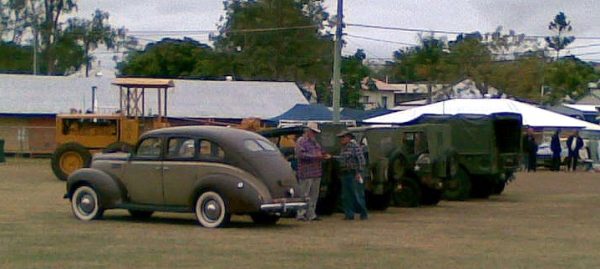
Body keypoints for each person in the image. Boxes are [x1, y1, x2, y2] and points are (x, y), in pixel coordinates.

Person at [294, 122, 330, 221]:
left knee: (314, 195)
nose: (314, 134)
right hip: (306, 173)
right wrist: (316, 156)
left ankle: (311, 214)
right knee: (304, 194)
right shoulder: (301, 141)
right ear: (308, 131)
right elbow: (300, 155)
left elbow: (320, 152)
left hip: (316, 172)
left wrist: (323, 155)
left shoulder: (315, 142)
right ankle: (301, 214)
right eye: (313, 132)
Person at [335, 130, 368, 221]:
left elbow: (361, 160)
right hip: (345, 173)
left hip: (353, 173)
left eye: (343, 137)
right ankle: (349, 214)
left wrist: (359, 172)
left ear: (348, 137)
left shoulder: (355, 146)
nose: (341, 139)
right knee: (346, 196)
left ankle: (363, 213)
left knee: (357, 194)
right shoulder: (343, 148)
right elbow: (342, 159)